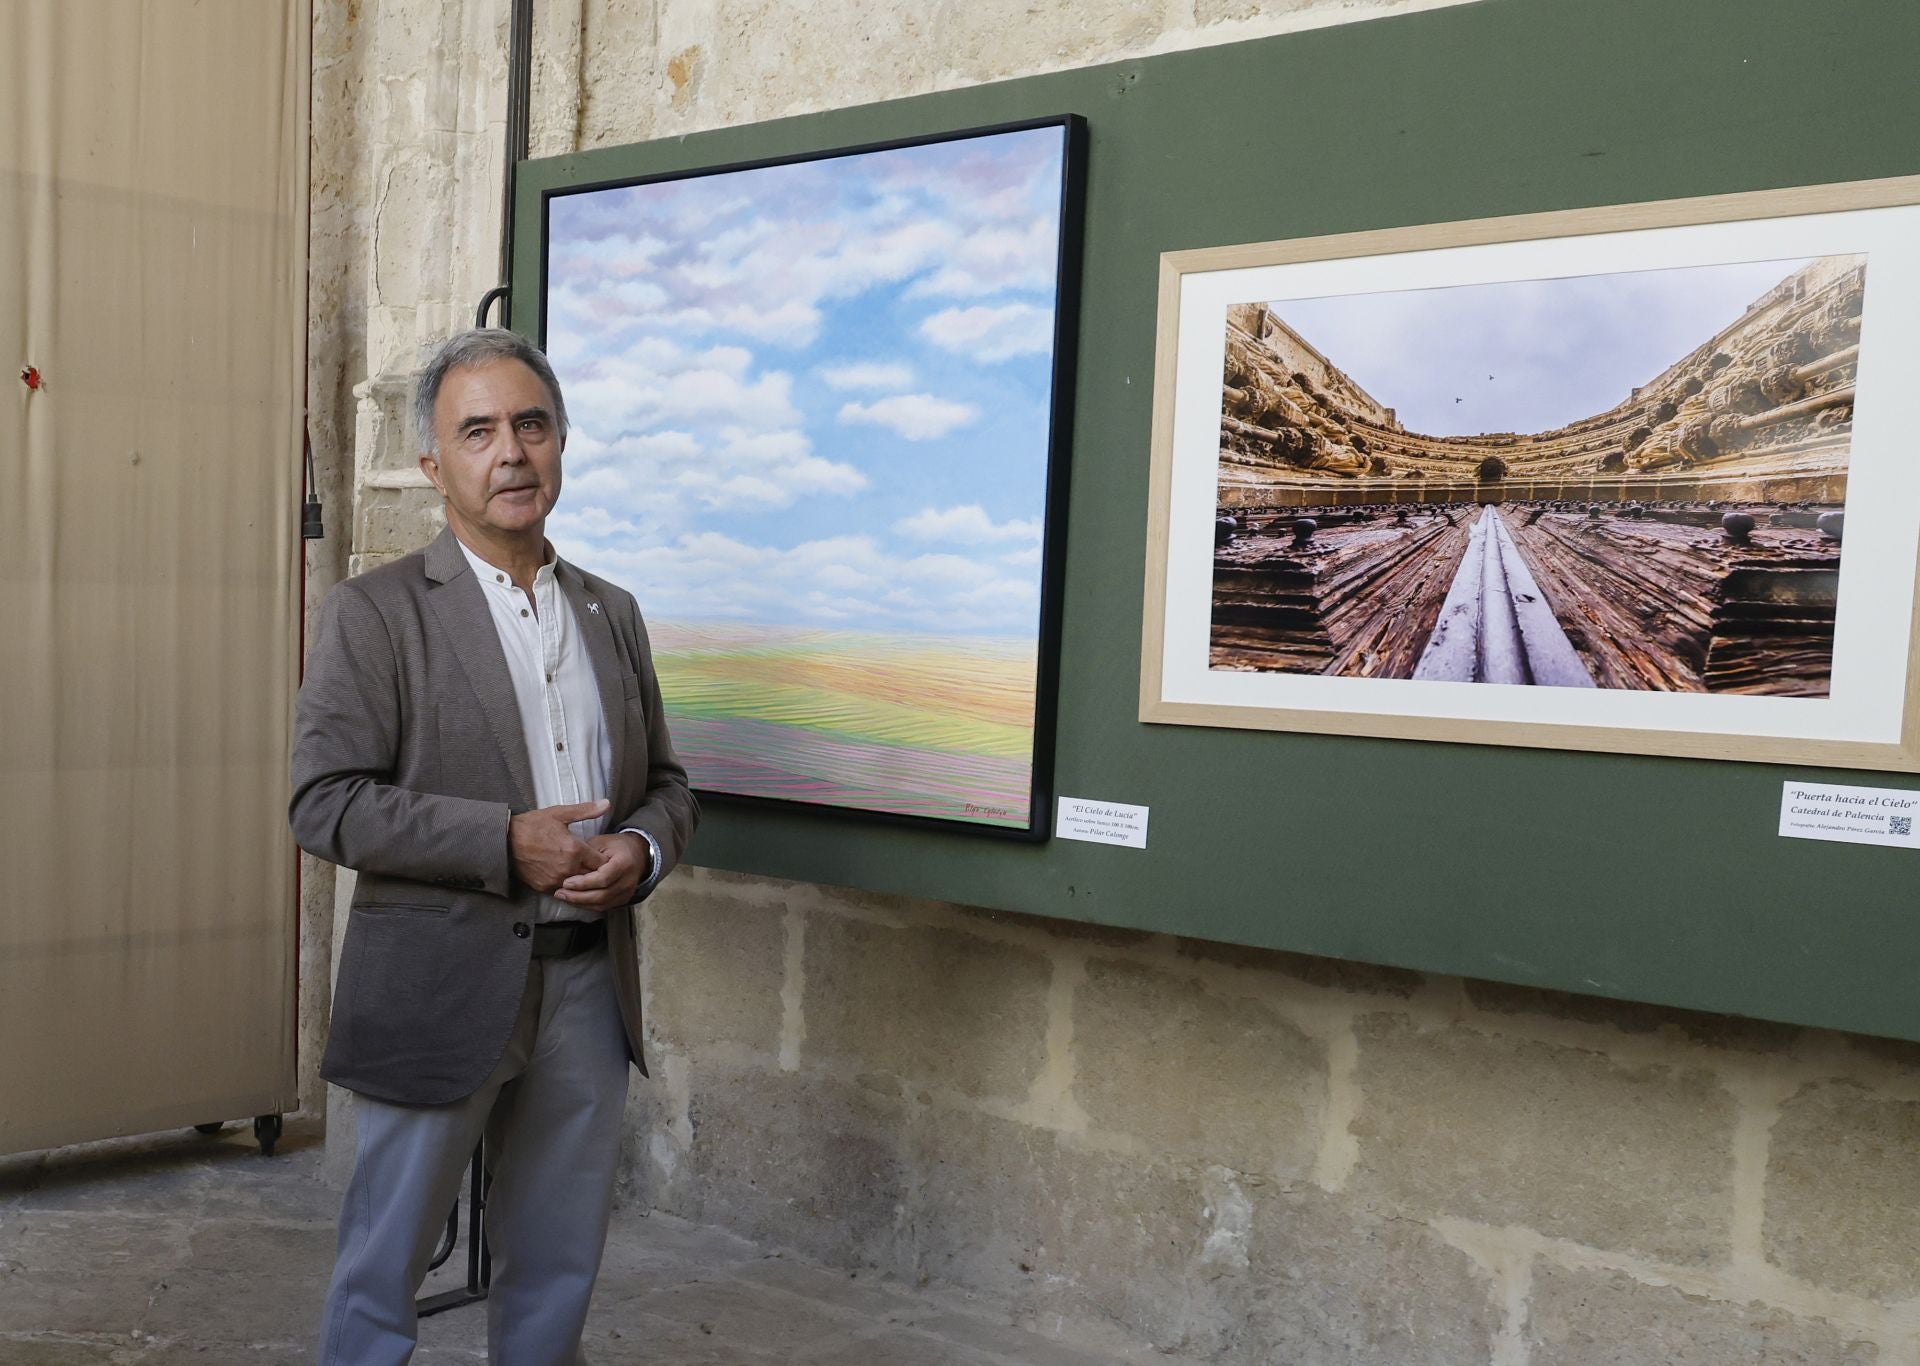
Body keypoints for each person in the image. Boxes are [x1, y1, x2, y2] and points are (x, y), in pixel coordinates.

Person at [292, 328, 698, 1365]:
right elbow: (324, 802)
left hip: (585, 991)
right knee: (384, 1267)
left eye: (531, 424)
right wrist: (501, 841)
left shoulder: (614, 613)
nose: (510, 452)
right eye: (477, 431)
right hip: (437, 984)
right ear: (435, 466)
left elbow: (666, 786)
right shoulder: (375, 614)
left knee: (559, 1263)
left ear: (560, 444)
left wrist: (643, 851)